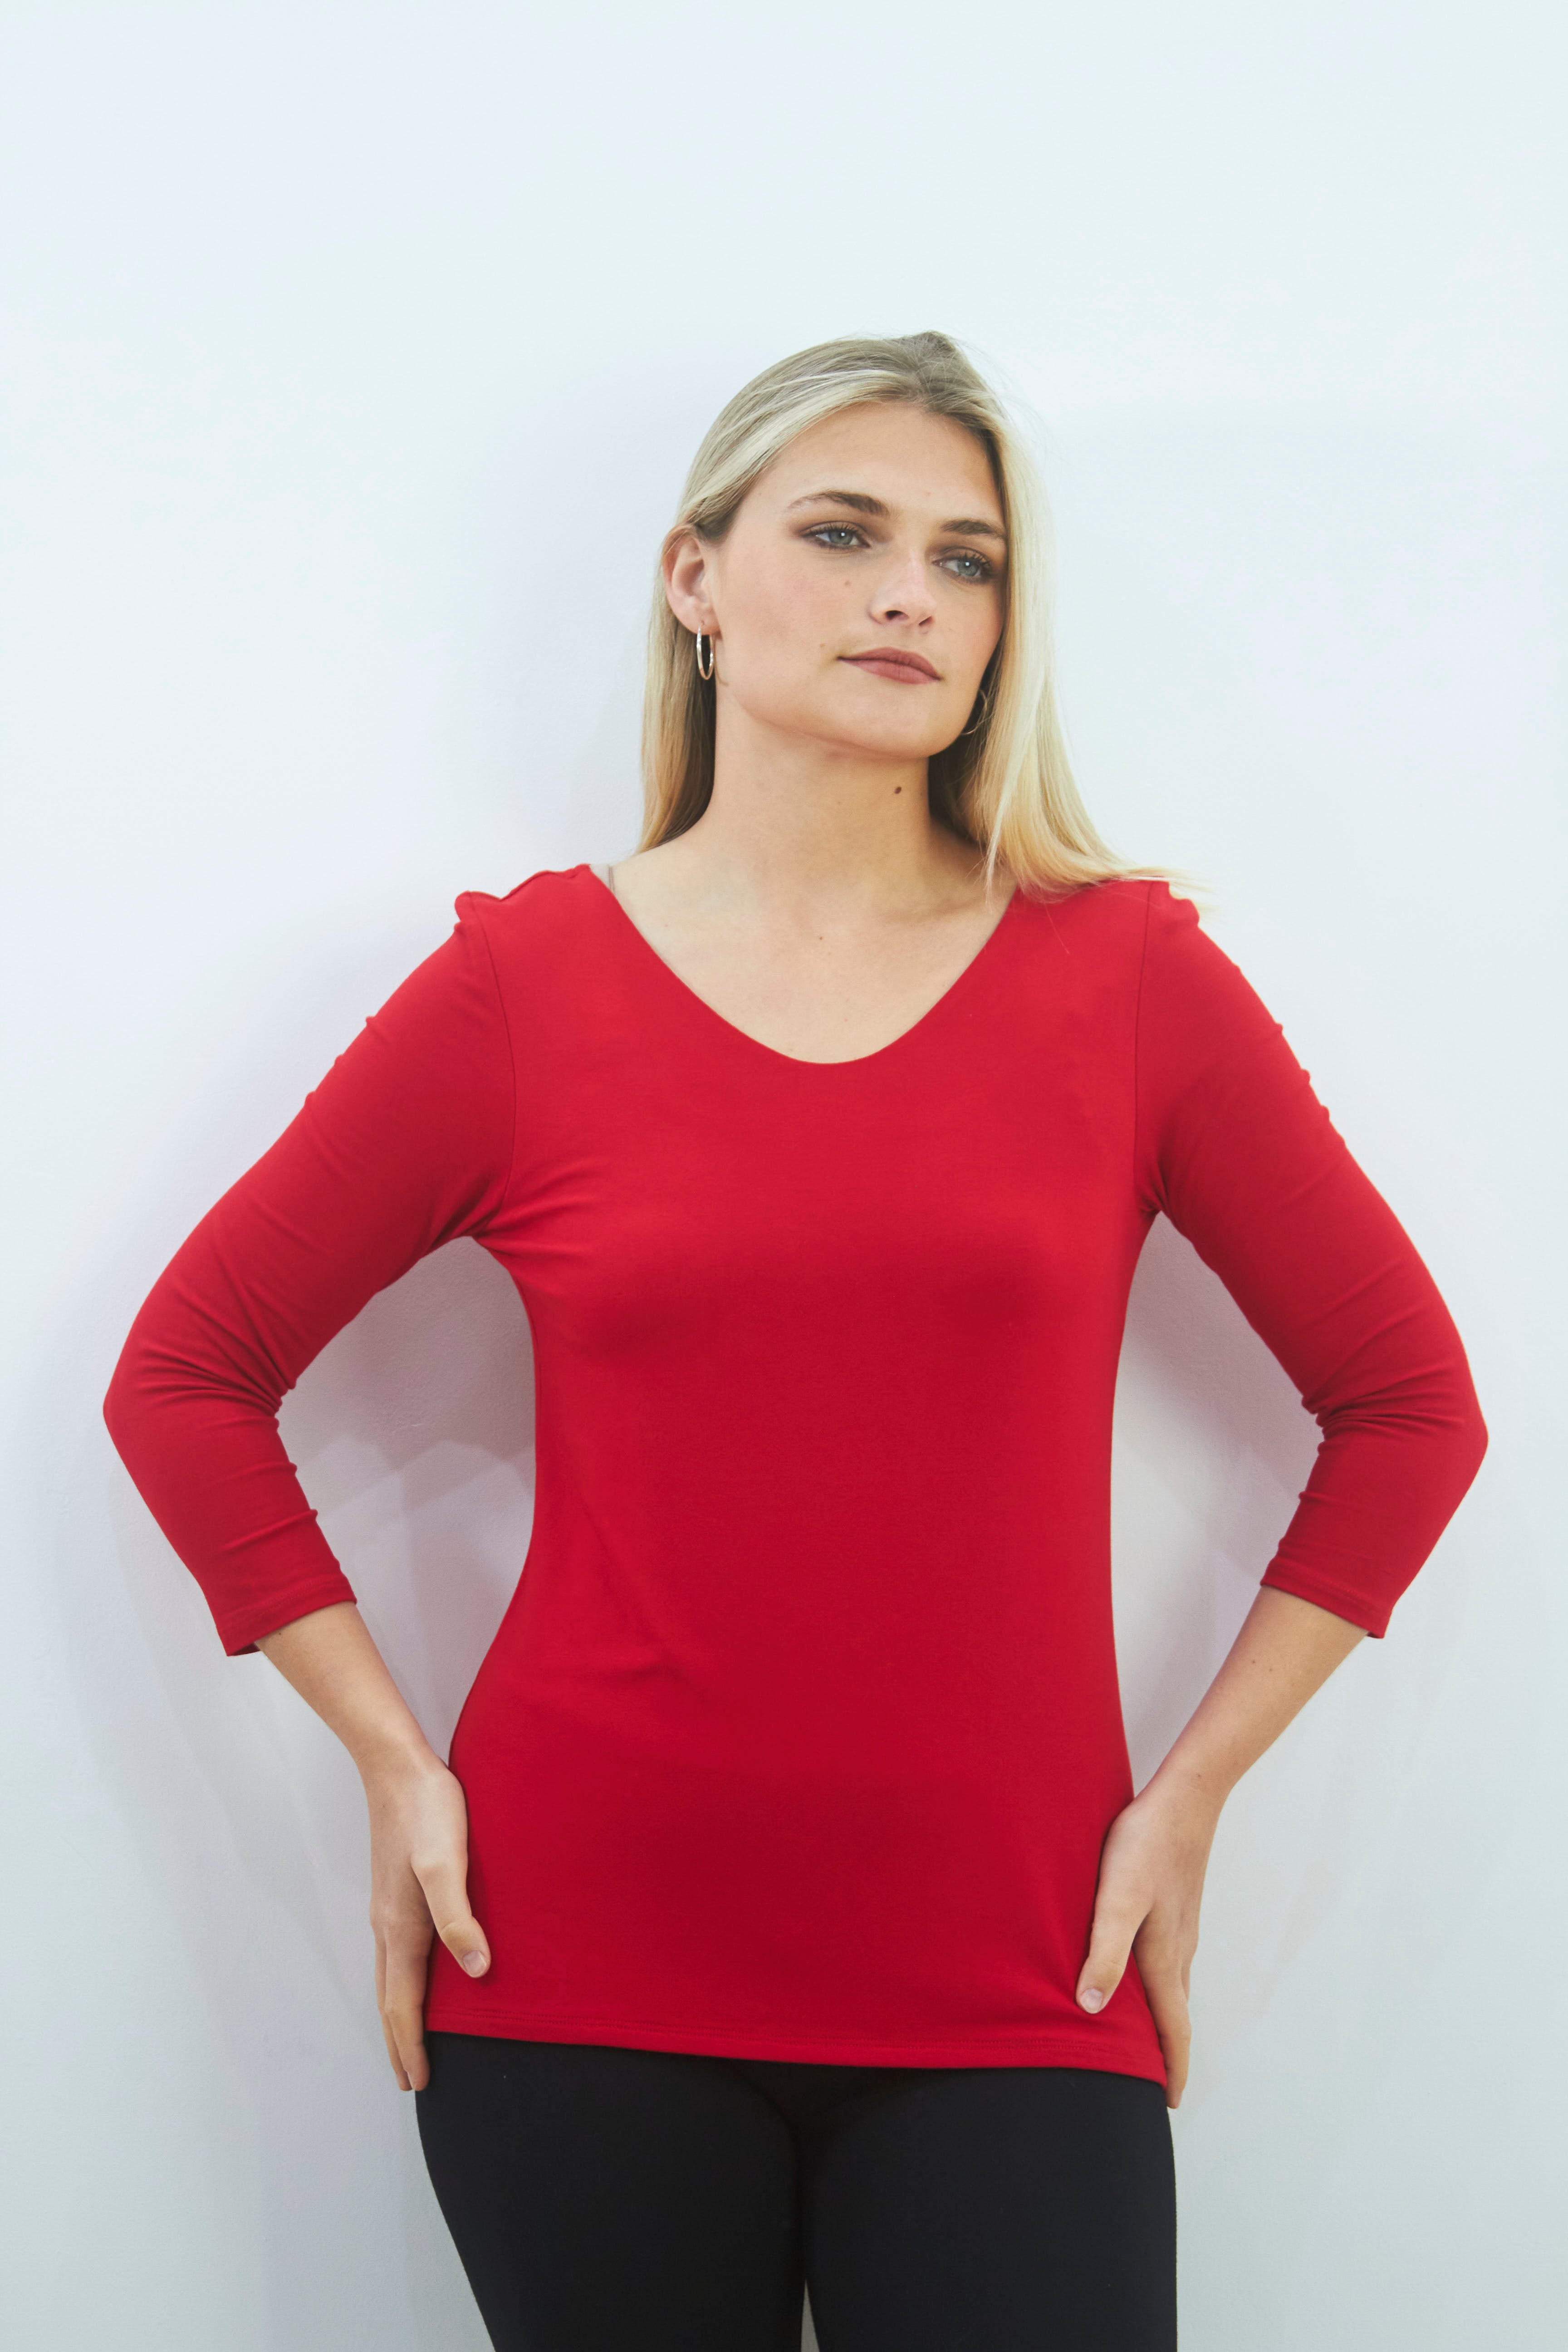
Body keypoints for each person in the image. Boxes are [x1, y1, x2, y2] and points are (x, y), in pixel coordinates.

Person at [103, 331, 1489, 2352]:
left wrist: (1191, 1794)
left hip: (1025, 1973)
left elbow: (1411, 1407)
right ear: (696, 577)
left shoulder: (1129, 979)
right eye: (844, 534)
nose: (911, 593)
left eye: (967, 559)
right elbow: (185, 1377)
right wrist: (393, 1762)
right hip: (578, 1968)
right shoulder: (525, 986)